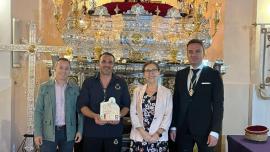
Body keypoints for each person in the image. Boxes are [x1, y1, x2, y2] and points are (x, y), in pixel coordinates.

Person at [170, 39, 224, 152]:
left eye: (197, 51)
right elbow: (176, 102)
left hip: (205, 130)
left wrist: (215, 131)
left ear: (203, 53)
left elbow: (218, 105)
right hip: (183, 129)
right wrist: (173, 126)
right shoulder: (180, 75)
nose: (193, 54)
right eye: (190, 52)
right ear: (187, 54)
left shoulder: (213, 75)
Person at [77, 52, 131, 152]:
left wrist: (118, 116)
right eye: (104, 61)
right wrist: (94, 116)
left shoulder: (121, 82)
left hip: (114, 132)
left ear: (113, 65)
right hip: (92, 132)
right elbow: (82, 106)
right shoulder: (89, 82)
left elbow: (126, 105)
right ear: (99, 64)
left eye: (110, 62)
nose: (107, 64)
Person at [34, 58, 83, 152]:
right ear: (55, 69)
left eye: (66, 68)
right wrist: (37, 133)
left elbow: (80, 112)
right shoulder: (44, 87)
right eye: (61, 67)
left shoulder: (75, 89)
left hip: (68, 132)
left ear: (69, 71)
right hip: (48, 131)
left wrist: (80, 131)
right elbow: (38, 111)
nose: (63, 71)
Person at [130, 61, 173, 152]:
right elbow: (133, 113)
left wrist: (157, 134)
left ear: (159, 72)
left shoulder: (167, 92)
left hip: (158, 139)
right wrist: (143, 133)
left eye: (154, 70)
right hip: (139, 136)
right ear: (144, 74)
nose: (151, 73)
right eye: (147, 70)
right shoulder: (137, 91)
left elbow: (168, 116)